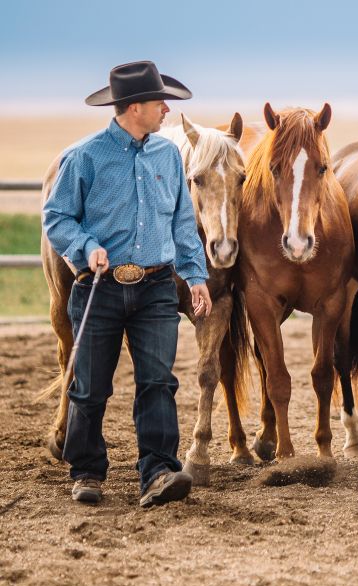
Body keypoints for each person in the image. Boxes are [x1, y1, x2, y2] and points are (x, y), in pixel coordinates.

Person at [43, 61, 213, 508]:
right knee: (90, 385)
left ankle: (158, 471)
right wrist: (85, 245)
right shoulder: (84, 156)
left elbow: (181, 222)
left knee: (158, 382)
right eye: (160, 102)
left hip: (157, 286)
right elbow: (57, 218)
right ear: (134, 106)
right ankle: (87, 471)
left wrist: (195, 276)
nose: (166, 110)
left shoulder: (167, 156)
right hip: (99, 285)